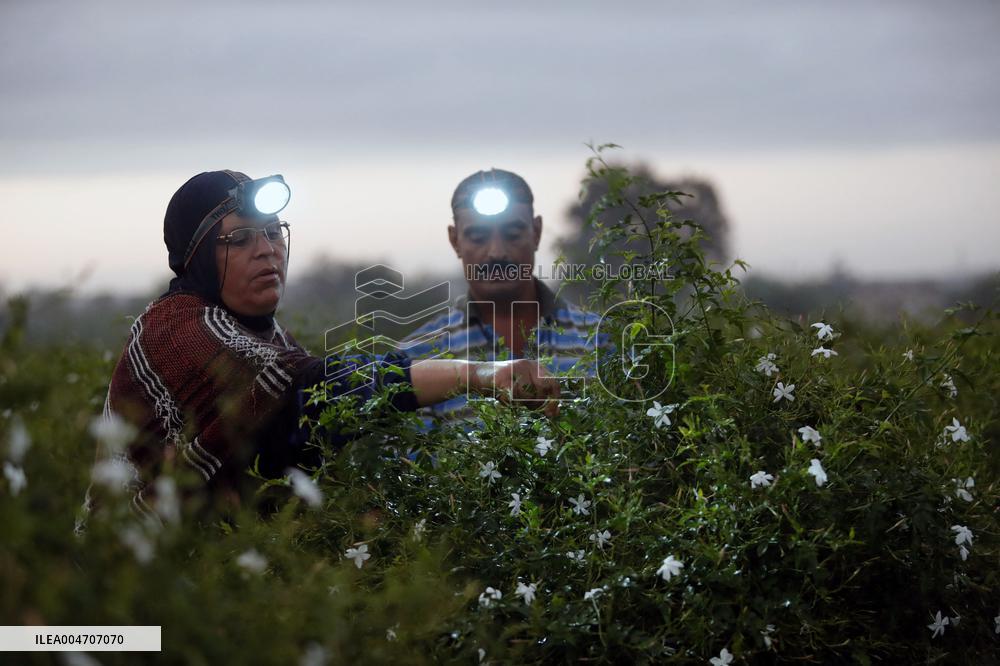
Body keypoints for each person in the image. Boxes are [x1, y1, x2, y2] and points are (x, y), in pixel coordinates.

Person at [87, 170, 558, 521]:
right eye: (240, 238)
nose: (267, 249)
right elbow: (312, 393)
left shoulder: (268, 339)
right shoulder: (176, 329)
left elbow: (305, 437)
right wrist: (476, 375)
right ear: (197, 257)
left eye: (274, 232)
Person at [402, 168, 609, 425]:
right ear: (455, 240)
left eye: (512, 235)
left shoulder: (602, 341)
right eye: (478, 237)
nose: (496, 252)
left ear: (536, 232)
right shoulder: (415, 362)